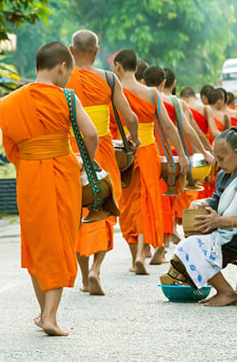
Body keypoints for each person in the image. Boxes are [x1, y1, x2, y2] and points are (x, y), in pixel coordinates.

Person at [0, 41, 99, 336]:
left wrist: (32, 158)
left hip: (29, 175)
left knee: (36, 242)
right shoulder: (66, 97)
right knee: (60, 242)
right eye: (67, 72)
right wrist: (84, 162)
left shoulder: (9, 103)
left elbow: (10, 148)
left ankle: (44, 313)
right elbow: (90, 133)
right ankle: (51, 317)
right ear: (61, 67)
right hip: (61, 174)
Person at [163, 128, 237, 306]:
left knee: (196, 246)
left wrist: (222, 221)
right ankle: (223, 291)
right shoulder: (225, 174)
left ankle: (226, 293)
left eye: (221, 158)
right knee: (192, 242)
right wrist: (202, 203)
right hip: (235, 233)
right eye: (217, 158)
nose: (218, 163)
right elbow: (217, 199)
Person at [67, 30, 141, 295]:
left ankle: (85, 278)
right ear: (97, 52)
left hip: (72, 151)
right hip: (103, 151)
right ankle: (97, 269)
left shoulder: (64, 79)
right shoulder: (109, 78)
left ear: (71, 51)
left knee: (78, 209)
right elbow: (129, 117)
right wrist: (134, 139)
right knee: (104, 207)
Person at [113, 52, 190, 275]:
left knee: (128, 205)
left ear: (118, 67)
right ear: (136, 68)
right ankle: (140, 255)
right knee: (146, 201)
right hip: (147, 151)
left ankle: (133, 256)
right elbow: (168, 126)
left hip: (125, 152)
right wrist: (183, 155)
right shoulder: (152, 94)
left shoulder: (114, 90)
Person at [147, 67, 215, 262]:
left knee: (152, 201)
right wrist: (204, 152)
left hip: (149, 153)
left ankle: (149, 246)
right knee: (170, 199)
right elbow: (189, 131)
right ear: (169, 82)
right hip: (173, 156)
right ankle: (164, 239)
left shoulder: (141, 98)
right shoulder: (175, 103)